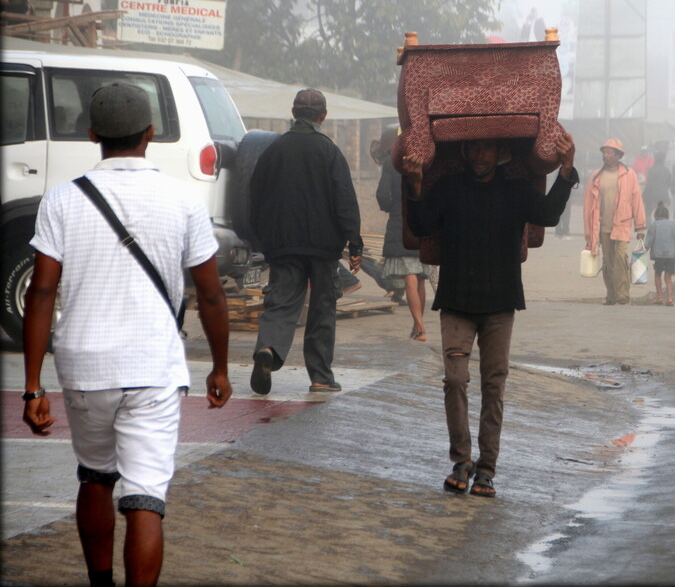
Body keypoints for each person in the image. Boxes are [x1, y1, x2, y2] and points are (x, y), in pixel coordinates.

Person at [22, 82, 232, 587]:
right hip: (153, 368)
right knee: (145, 499)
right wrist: (219, 367)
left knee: (94, 476)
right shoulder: (183, 200)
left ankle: (99, 583)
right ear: (151, 133)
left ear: (92, 133)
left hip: (84, 365)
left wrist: (33, 385)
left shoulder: (61, 200)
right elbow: (210, 295)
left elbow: (42, 293)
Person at [402, 134, 578, 497]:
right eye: (473, 146)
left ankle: (486, 469)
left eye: (487, 147)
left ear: (502, 152)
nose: (479, 153)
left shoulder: (515, 191)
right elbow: (420, 226)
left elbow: (547, 214)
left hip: (500, 303)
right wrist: (415, 185)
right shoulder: (449, 187)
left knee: (493, 386)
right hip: (455, 302)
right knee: (454, 380)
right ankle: (461, 460)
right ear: (464, 150)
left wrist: (566, 170)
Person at [248, 88, 363, 394]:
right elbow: (345, 201)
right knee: (322, 308)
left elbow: (254, 197)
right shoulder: (329, 151)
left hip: (283, 244)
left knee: (281, 302)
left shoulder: (274, 150)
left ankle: (269, 349)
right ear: (323, 116)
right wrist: (355, 243)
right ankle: (321, 377)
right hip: (324, 248)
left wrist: (260, 239)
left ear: (293, 112)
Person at [375, 123, 433, 341]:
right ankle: (418, 325)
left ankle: (419, 327)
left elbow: (382, 196)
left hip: (401, 225)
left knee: (410, 277)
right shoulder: (427, 160)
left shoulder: (392, 163)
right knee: (419, 277)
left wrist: (394, 208)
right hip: (423, 223)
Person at [583, 138, 647, 305]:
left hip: (623, 224)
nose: (605, 155)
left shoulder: (629, 175)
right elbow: (588, 206)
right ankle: (611, 295)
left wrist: (640, 227)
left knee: (620, 258)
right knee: (608, 261)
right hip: (603, 227)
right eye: (604, 152)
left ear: (618, 155)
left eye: (609, 152)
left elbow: (636, 200)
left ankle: (623, 295)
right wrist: (589, 233)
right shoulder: (595, 176)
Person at [644, 201, 675, 306]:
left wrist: (643, 251)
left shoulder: (654, 225)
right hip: (671, 255)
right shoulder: (674, 225)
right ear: (667, 215)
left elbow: (648, 242)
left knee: (658, 274)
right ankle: (670, 298)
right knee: (668, 277)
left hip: (658, 255)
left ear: (656, 215)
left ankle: (659, 297)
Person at [642, 150, 671, 220]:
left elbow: (649, 184)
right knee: (663, 215)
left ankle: (650, 228)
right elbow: (669, 184)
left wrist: (644, 195)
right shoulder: (667, 170)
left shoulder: (651, 170)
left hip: (652, 197)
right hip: (664, 196)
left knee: (648, 213)